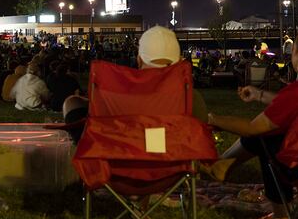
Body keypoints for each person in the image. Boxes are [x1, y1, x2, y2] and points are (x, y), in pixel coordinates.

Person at [207, 24, 298, 219]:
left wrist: (212, 119)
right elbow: (290, 105)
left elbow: (253, 128)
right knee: (276, 132)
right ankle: (222, 165)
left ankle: (281, 215)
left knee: (270, 139)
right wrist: (259, 94)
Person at [63, 25, 208, 139]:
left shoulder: (116, 93)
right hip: (173, 170)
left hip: (120, 165)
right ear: (177, 61)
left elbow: (75, 106)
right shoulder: (189, 98)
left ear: (139, 60)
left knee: (72, 103)